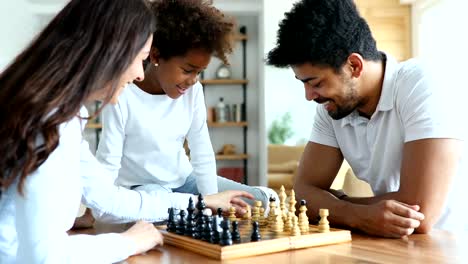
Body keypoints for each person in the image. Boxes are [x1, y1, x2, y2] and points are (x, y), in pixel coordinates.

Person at [266, 0, 466, 238]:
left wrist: (337, 202)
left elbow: (419, 213)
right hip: (391, 246)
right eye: (304, 83)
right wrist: (355, 214)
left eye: (316, 83)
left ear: (354, 65)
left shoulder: (421, 85)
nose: (309, 96)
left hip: (451, 245)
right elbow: (303, 193)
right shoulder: (332, 108)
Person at [0, 0, 163, 263]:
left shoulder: (62, 117)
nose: (140, 75)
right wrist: (127, 242)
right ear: (111, 51)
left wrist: (200, 203)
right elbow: (45, 257)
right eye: (142, 59)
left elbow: (108, 199)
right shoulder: (47, 123)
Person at [90, 0, 277, 224]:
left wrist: (211, 203)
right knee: (161, 207)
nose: (193, 80)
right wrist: (94, 209)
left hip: (185, 180)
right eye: (187, 70)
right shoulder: (122, 94)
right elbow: (108, 160)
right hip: (143, 187)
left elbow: (202, 151)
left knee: (258, 202)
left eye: (199, 72)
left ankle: (199, 206)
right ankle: (184, 208)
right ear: (156, 56)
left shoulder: (193, 91)